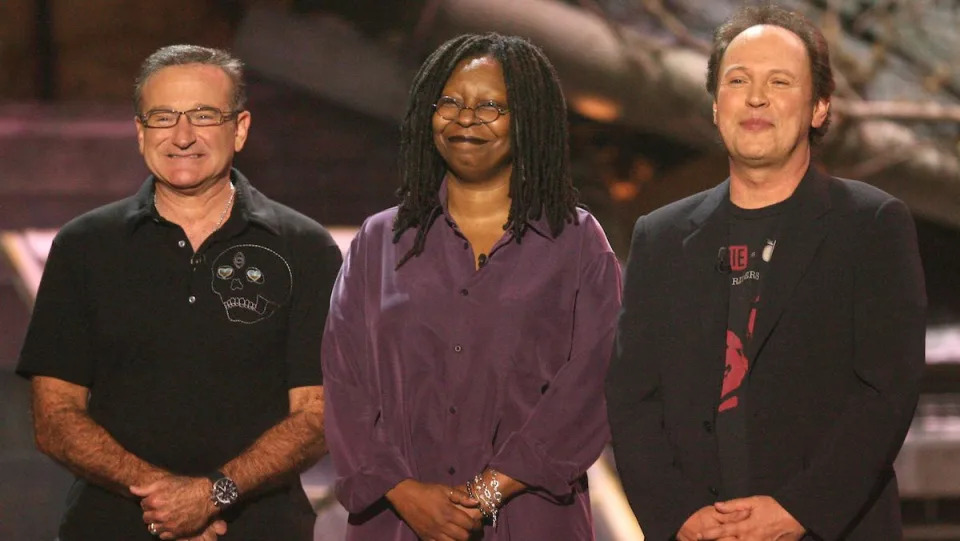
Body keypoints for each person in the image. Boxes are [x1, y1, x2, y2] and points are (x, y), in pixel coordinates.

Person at [606, 5, 926, 541]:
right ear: (715, 106)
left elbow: (886, 393)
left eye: (779, 81)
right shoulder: (660, 237)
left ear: (819, 107)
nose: (756, 97)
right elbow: (632, 397)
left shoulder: (871, 225)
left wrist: (797, 511)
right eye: (737, 80)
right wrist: (679, 515)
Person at [16, 45, 342, 540]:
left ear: (240, 128)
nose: (183, 136)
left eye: (203, 115)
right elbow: (54, 417)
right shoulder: (84, 246)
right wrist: (165, 499)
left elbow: (317, 417)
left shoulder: (304, 247)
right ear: (140, 131)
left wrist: (213, 494)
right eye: (163, 117)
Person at [321, 33, 622, 540]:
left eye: (490, 106)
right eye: (451, 103)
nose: (465, 119)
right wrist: (404, 492)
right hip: (397, 523)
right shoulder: (379, 241)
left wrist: (487, 493)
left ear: (527, 120)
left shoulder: (577, 242)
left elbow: (594, 385)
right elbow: (345, 386)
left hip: (529, 521)